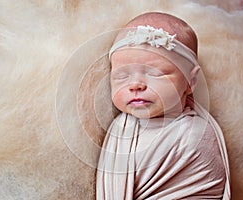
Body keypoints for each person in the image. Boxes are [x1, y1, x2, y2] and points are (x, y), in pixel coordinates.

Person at [96, 12, 231, 200]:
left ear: (190, 81)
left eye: (155, 74)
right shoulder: (120, 129)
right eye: (122, 76)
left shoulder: (195, 135)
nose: (135, 85)